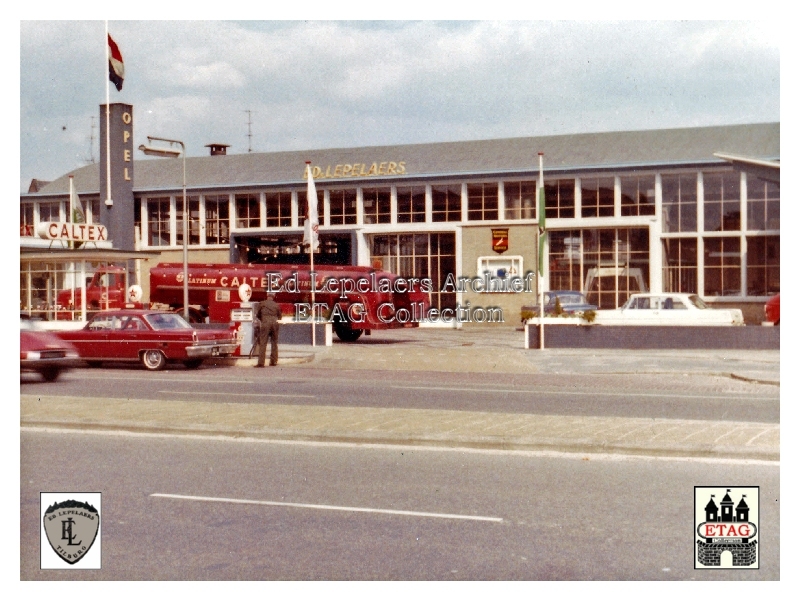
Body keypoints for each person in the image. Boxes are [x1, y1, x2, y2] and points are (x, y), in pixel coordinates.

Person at [255, 293, 282, 367]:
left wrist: (263, 320)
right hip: (274, 324)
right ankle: (273, 361)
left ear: (267, 296)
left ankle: (261, 363)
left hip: (265, 324)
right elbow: (280, 317)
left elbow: (258, 315)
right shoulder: (276, 305)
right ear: (273, 297)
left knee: (263, 343)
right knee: (274, 343)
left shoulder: (262, 303)